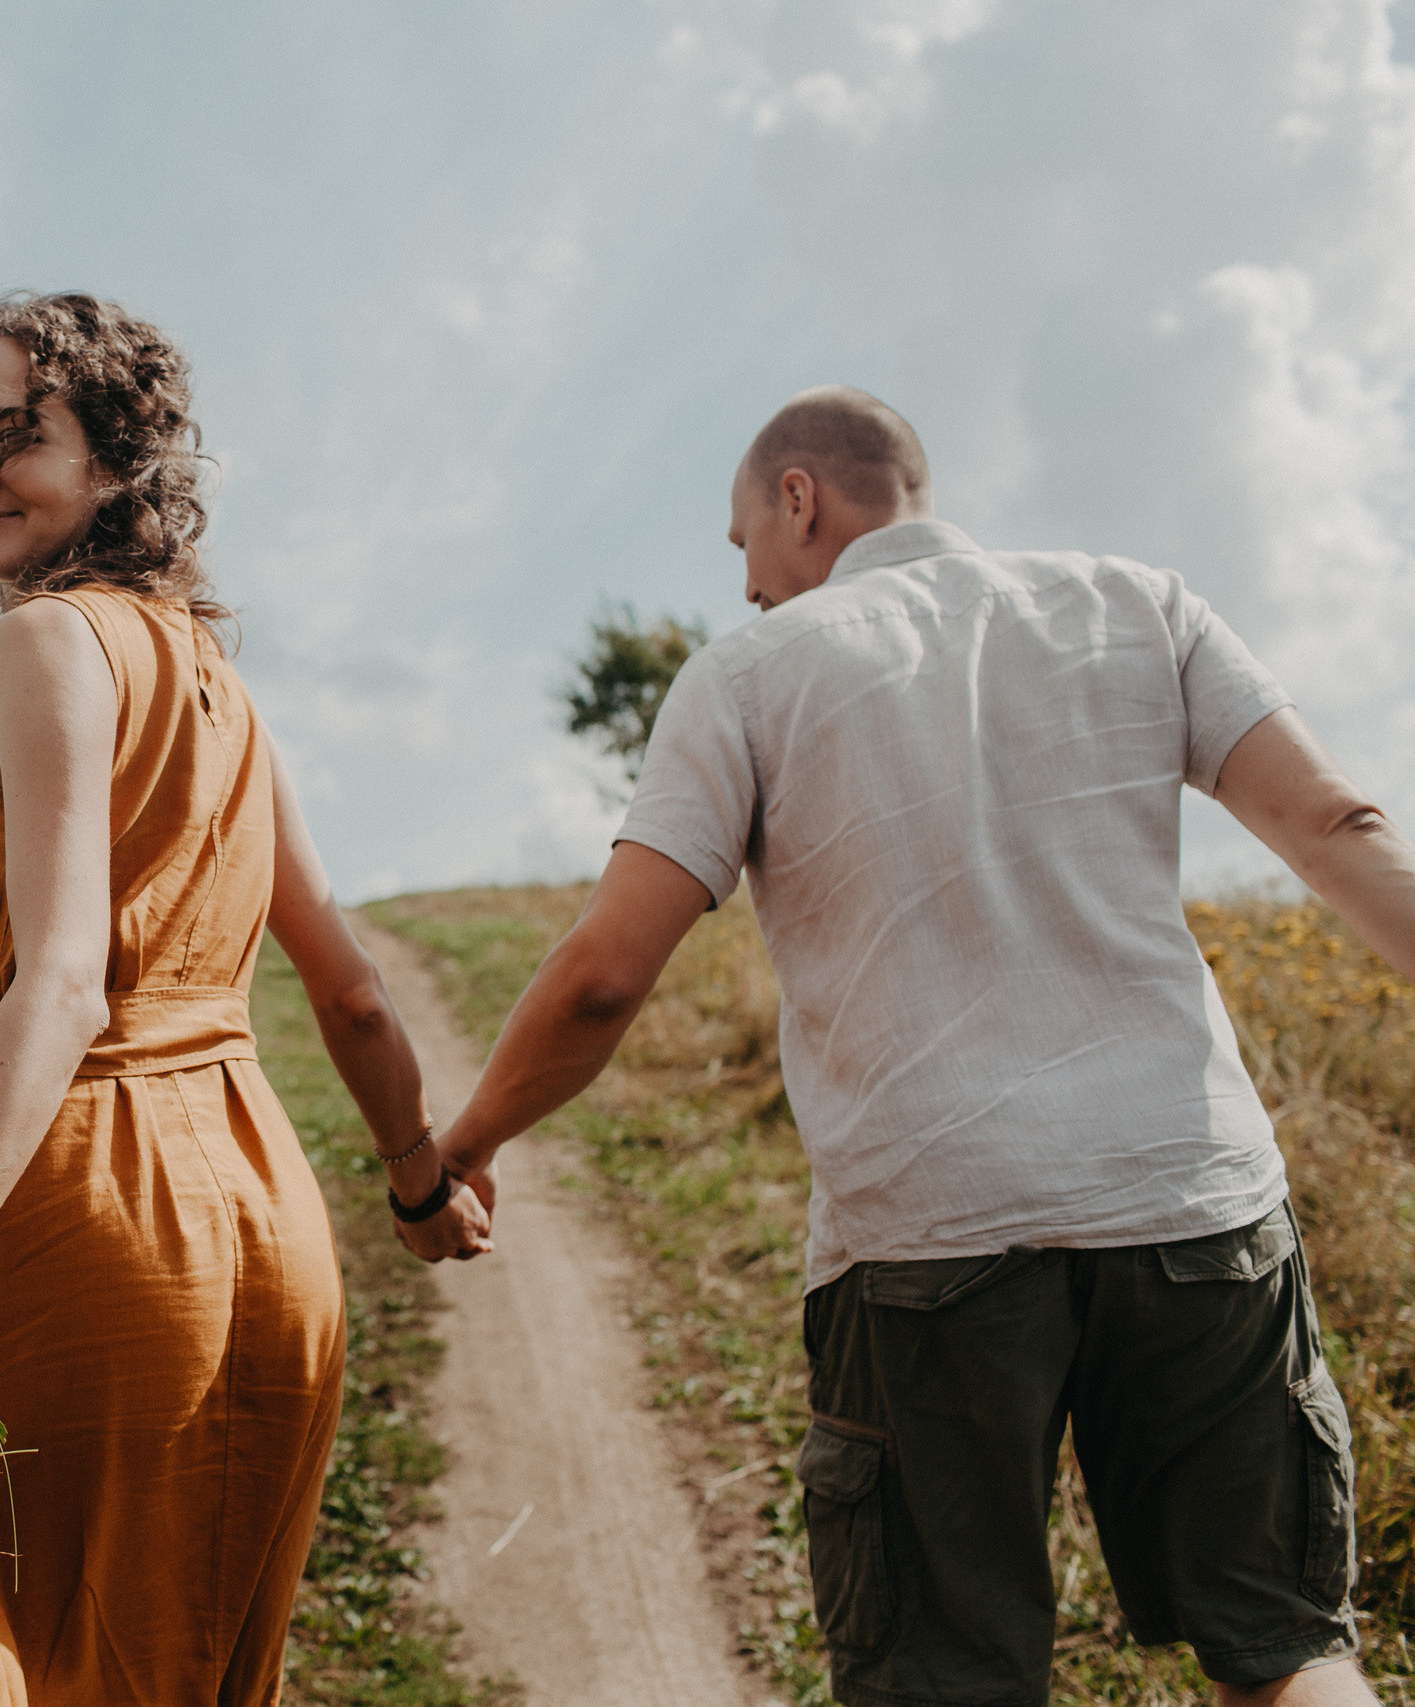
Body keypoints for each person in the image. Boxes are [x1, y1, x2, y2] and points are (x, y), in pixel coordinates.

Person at [396, 385, 1415, 1705]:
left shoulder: (749, 674)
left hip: (930, 1240)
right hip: (1192, 1204)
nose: (751, 580)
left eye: (742, 540)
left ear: (800, 499)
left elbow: (604, 978)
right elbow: (1336, 826)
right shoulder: (1138, 603)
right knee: (1287, 1654)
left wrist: (456, 1153)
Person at [0, 291, 491, 1706]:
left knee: (42, 1666)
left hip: (92, 1212)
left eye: (18, 436)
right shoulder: (223, 687)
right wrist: (413, 1178)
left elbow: (64, 988)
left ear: (116, 463)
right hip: (271, 1231)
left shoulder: (45, 645)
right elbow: (345, 988)